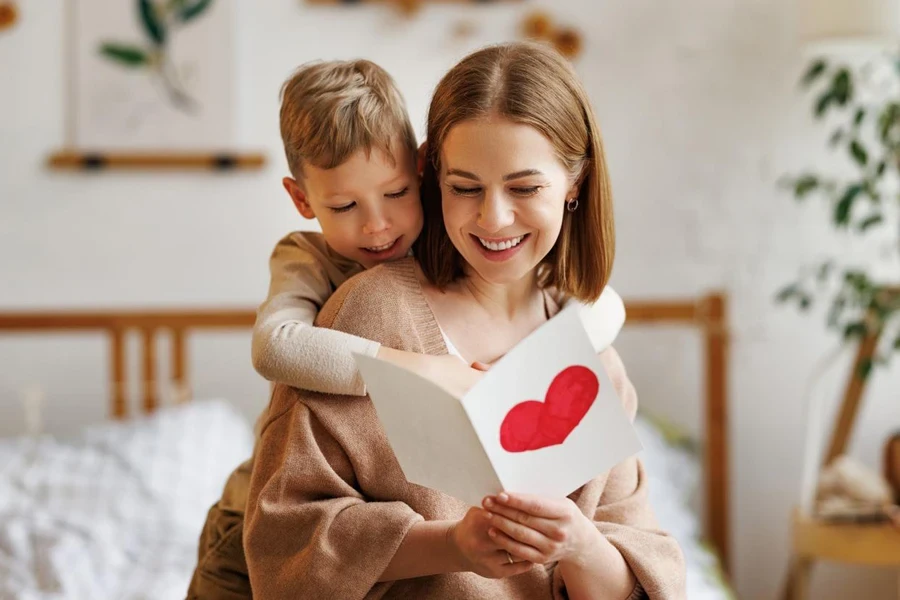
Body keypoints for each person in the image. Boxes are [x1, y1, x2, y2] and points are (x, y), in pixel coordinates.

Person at [243, 42, 686, 600]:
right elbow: (286, 545)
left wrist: (579, 544)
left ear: (574, 185)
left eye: (524, 187)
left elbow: (642, 575)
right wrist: (451, 545)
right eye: (465, 188)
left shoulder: (593, 353)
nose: (493, 218)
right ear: (436, 176)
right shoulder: (363, 315)